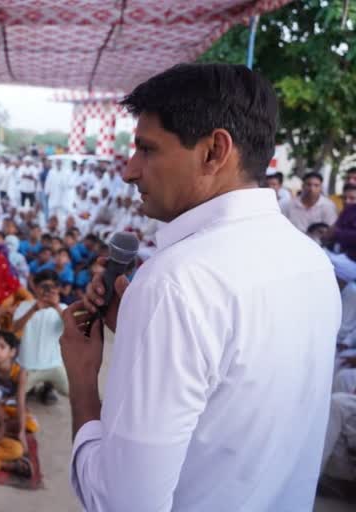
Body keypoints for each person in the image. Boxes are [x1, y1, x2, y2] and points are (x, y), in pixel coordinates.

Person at [62, 63, 340, 511]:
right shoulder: (310, 260)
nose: (130, 171)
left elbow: (126, 504)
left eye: (147, 149)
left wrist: (81, 382)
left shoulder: (177, 282)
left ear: (214, 151)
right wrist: (140, 330)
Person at [12, 269, 68, 405]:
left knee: (73, 391)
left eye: (51, 287)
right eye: (43, 287)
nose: (46, 290)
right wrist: (33, 309)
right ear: (35, 288)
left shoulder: (63, 307)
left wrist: (55, 306)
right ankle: (36, 389)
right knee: (14, 397)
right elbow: (15, 328)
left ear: (58, 289)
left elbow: (71, 328)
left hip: (54, 364)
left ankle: (48, 387)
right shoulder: (25, 306)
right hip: (27, 365)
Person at [0, 330, 38, 454]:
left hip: (10, 406)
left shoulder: (19, 372)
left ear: (12, 352)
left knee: (31, 424)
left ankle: (0, 428)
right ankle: (1, 429)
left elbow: (20, 402)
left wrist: (21, 431)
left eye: (2, 347)